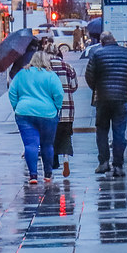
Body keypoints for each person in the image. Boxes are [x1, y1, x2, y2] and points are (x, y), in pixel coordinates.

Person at [85, 30, 127, 177]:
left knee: (102, 131)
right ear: (114, 39)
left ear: (102, 42)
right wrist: (126, 87)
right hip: (121, 99)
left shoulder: (97, 54)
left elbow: (89, 76)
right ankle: (118, 166)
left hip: (102, 99)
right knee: (119, 132)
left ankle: (103, 163)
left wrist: (98, 88)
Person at [8, 50, 64, 184]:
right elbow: (59, 94)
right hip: (48, 114)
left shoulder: (21, 74)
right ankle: (48, 174)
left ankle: (33, 176)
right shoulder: (51, 76)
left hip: (24, 113)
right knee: (47, 145)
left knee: (30, 145)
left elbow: (12, 93)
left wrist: (17, 107)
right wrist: (56, 107)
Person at [49, 46, 78, 177]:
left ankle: (53, 161)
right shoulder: (68, 66)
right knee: (66, 135)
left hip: (50, 109)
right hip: (67, 108)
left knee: (50, 136)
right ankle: (65, 158)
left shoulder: (45, 69)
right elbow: (74, 86)